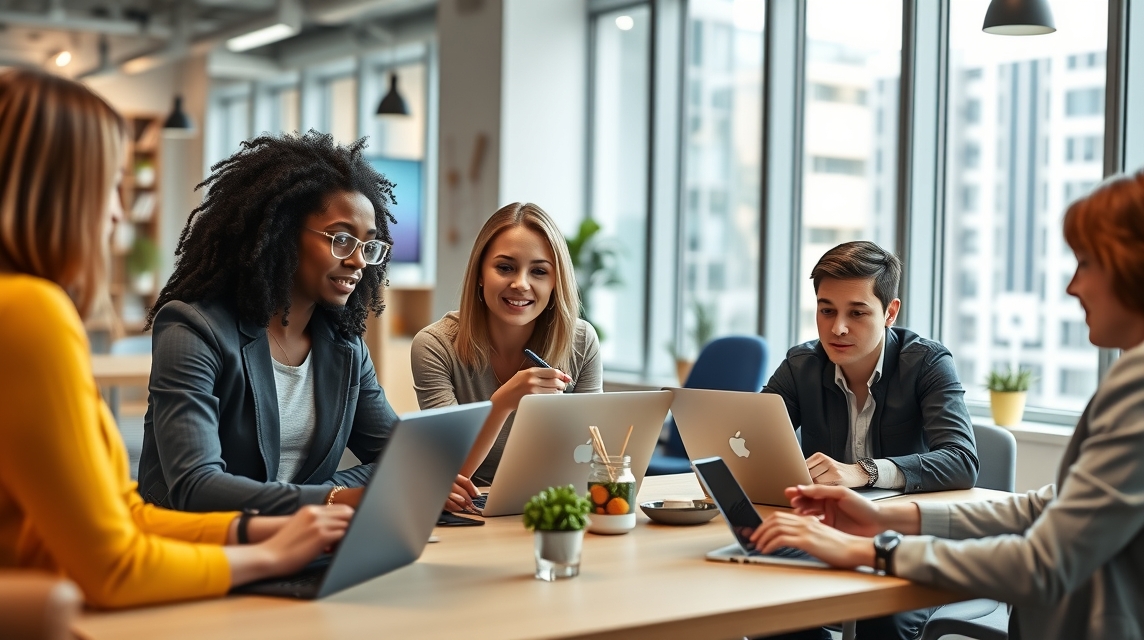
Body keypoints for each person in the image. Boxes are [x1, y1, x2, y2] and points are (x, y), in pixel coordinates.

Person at [0, 68, 352, 609]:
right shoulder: (28, 310)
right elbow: (114, 568)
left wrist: (251, 531)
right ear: (56, 193)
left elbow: (124, 516)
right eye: (108, 185)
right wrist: (268, 557)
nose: (117, 212)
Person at [751, 172, 1144, 640]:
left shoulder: (1135, 387)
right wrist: (881, 518)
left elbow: (1043, 560)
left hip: (1092, 623)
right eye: (826, 310)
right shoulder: (802, 363)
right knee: (773, 606)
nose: (1072, 287)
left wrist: (875, 546)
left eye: (1086, 263)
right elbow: (1044, 506)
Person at [137, 131, 472, 515]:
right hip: (201, 543)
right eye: (341, 239)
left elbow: (401, 458)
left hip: (303, 539)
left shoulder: (346, 347)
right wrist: (332, 498)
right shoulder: (194, 329)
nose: (358, 261)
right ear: (282, 232)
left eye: (368, 245)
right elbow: (195, 485)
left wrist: (326, 494)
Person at [760, 240, 979, 639]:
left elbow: (961, 460)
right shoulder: (800, 365)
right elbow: (754, 438)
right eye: (827, 310)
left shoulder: (927, 362)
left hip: (905, 537)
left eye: (857, 313)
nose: (837, 328)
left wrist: (864, 472)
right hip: (828, 532)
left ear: (890, 312)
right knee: (765, 601)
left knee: (880, 617)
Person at [411, 202, 603, 487]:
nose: (521, 284)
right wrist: (502, 404)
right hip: (474, 502)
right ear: (480, 274)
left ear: (556, 282)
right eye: (505, 267)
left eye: (539, 271)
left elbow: (593, 460)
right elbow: (450, 473)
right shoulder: (435, 346)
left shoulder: (582, 342)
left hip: (551, 498)